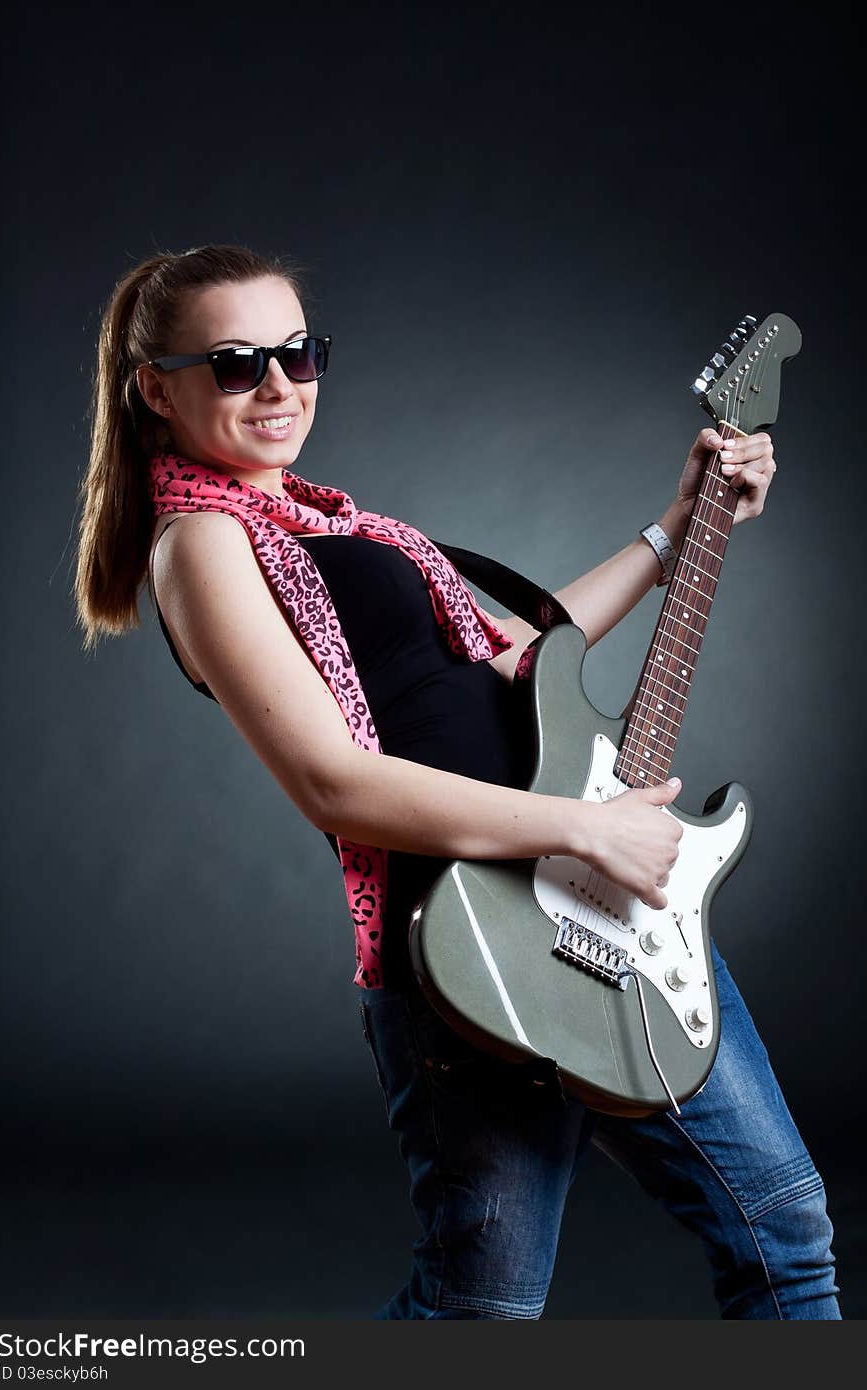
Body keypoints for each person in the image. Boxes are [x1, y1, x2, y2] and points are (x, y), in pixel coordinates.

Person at [74, 243, 841, 1320]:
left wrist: (681, 526)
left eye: (300, 353)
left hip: (584, 901)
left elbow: (510, 652)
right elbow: (333, 781)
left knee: (785, 1234)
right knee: (481, 1310)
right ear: (158, 385)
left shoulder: (328, 519)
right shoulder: (201, 542)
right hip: (470, 942)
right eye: (239, 361)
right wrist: (586, 829)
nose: (281, 386)